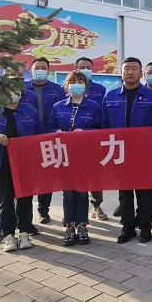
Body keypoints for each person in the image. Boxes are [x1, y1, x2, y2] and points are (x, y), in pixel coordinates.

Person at [103, 57, 152, 244]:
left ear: (141, 73)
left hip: (145, 152)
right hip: (119, 152)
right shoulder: (110, 96)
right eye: (126, 68)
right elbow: (104, 125)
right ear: (121, 72)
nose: (130, 72)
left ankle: (145, 227)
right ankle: (127, 227)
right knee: (125, 193)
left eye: (134, 69)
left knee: (145, 193)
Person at [0, 88, 43, 252]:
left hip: (24, 164)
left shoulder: (31, 112)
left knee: (25, 199)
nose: (11, 94)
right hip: (1, 163)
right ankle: (8, 235)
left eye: (15, 90)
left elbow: (40, 137)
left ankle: (24, 233)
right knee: (5, 201)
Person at [47, 71, 102, 246]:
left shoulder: (94, 107)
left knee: (82, 192)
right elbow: (49, 127)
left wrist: (86, 133)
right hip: (64, 156)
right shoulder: (58, 107)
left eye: (80, 82)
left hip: (84, 156)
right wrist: (56, 132)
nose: (76, 85)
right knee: (68, 193)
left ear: (86, 86)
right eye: (73, 82)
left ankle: (82, 226)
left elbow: (102, 130)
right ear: (67, 86)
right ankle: (69, 227)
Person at [25, 57, 66, 224]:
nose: (40, 70)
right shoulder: (23, 88)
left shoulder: (57, 89)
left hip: (48, 137)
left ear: (48, 70)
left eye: (43, 67)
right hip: (27, 139)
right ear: (31, 70)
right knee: (27, 176)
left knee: (45, 176)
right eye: (37, 68)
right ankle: (24, 214)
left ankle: (43, 211)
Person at [74, 57, 108, 221]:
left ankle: (96, 205)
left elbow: (103, 115)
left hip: (93, 139)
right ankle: (74, 210)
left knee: (95, 176)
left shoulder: (100, 89)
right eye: (82, 67)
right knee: (74, 176)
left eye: (88, 67)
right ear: (75, 68)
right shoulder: (66, 88)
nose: (85, 70)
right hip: (71, 143)